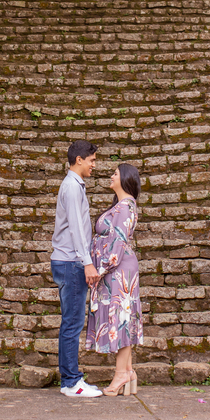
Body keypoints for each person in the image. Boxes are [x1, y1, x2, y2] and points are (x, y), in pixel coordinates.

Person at [50, 139, 102, 397]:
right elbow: (77, 228)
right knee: (72, 323)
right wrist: (88, 262)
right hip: (71, 261)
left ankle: (70, 379)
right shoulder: (71, 187)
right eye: (91, 160)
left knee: (71, 322)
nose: (94, 165)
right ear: (79, 160)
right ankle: (71, 382)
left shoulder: (75, 186)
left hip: (70, 259)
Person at [86, 162, 143, 396]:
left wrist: (102, 269)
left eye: (115, 174)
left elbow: (118, 241)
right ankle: (127, 370)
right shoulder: (122, 205)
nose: (111, 176)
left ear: (125, 178)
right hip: (118, 269)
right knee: (124, 317)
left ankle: (121, 374)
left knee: (121, 317)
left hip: (118, 269)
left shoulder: (125, 206)